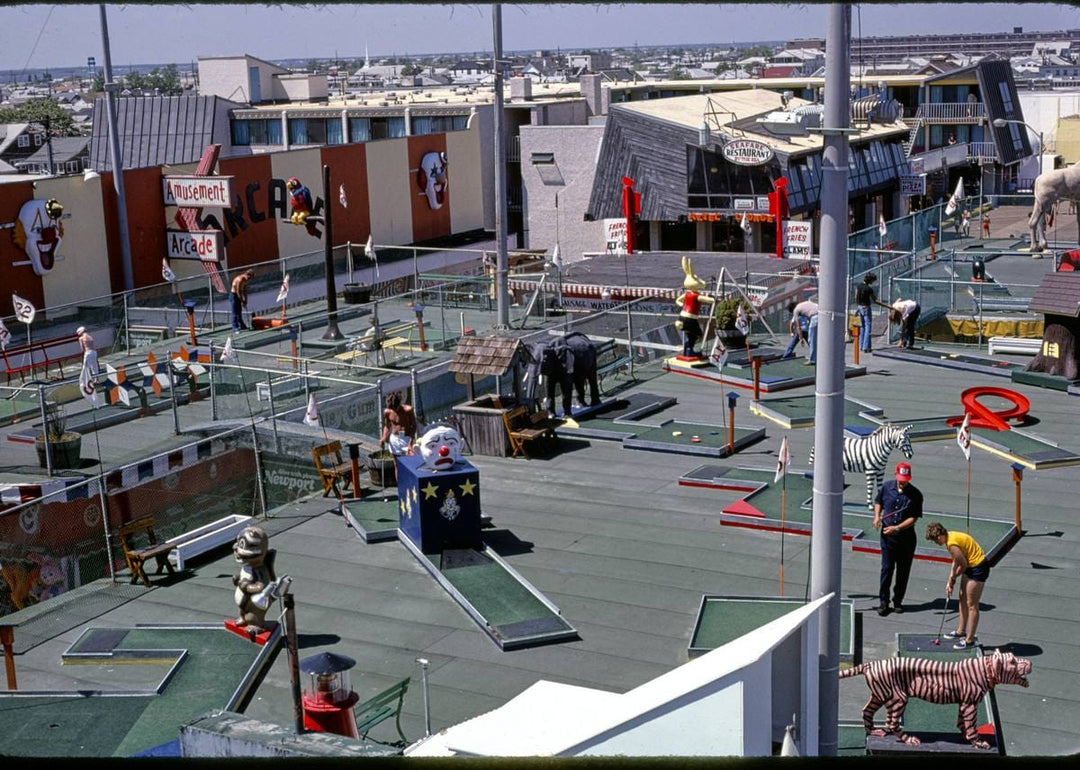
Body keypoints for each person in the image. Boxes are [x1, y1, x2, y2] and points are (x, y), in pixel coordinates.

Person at [925, 522, 989, 650]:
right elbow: (956, 560)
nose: (935, 543)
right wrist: (950, 580)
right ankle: (961, 631)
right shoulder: (949, 538)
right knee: (962, 598)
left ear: (938, 537)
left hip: (978, 567)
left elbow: (963, 565)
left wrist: (954, 578)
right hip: (970, 565)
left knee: (972, 604)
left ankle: (970, 640)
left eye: (934, 540)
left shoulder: (951, 544)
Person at [873, 462, 923, 616]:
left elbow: (914, 518)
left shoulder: (916, 494)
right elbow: (878, 502)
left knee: (903, 571)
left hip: (906, 539)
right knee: (887, 569)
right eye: (900, 478)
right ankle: (883, 601)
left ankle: (898, 601)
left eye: (905, 479)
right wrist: (877, 517)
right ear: (896, 475)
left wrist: (897, 528)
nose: (902, 482)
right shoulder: (887, 487)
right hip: (888, 539)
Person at [854, 275, 892, 354]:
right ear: (870, 281)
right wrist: (887, 306)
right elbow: (875, 300)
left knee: (863, 326)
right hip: (866, 307)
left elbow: (856, 296)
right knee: (868, 327)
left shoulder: (859, 286)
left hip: (860, 307)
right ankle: (866, 347)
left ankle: (861, 345)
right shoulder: (869, 289)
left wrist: (858, 306)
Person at [782, 299, 819, 365]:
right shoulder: (803, 305)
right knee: (814, 340)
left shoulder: (796, 310)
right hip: (821, 314)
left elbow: (798, 327)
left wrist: (801, 338)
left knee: (812, 340)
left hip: (815, 317)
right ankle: (817, 357)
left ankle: (813, 360)